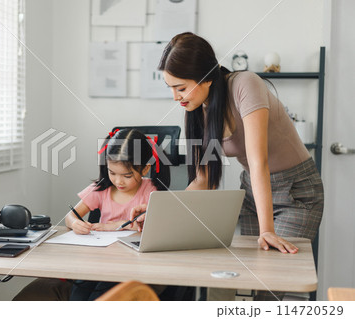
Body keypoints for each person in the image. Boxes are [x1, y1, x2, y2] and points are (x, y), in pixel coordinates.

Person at [130, 32, 324, 300]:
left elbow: (259, 161)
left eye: (182, 87)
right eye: (171, 88)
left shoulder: (245, 84)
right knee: (247, 279)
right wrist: (159, 212)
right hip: (254, 192)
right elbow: (203, 180)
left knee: (271, 285)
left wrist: (267, 229)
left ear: (207, 77)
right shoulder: (198, 108)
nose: (176, 97)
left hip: (298, 191)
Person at [13, 128, 170, 301]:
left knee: (104, 294)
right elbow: (70, 216)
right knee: (79, 295)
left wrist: (114, 225)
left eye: (127, 175)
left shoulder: (152, 191)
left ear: (145, 169)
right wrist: (75, 224)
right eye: (112, 173)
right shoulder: (101, 189)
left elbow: (155, 227)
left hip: (131, 266)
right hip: (99, 264)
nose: (118, 181)